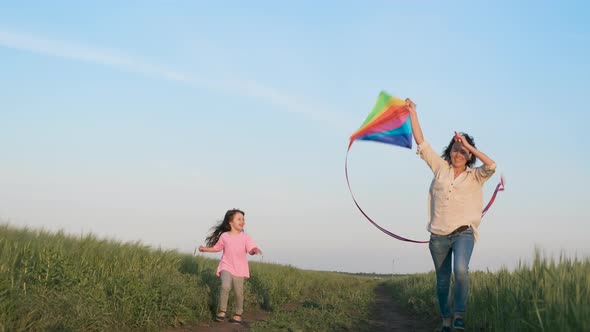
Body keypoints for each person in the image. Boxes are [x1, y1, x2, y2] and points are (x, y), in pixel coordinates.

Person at [405, 98, 496, 332]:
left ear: (469, 156)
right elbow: (421, 142)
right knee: (443, 281)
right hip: (438, 235)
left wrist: (468, 143)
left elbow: (492, 166)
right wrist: (413, 113)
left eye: (464, 151)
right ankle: (445, 319)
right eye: (456, 149)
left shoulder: (476, 176)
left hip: (463, 232)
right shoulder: (440, 168)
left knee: (462, 270)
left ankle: (459, 315)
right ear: (450, 151)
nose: (459, 153)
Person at [198, 208, 262, 324]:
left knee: (239, 292)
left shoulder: (245, 237)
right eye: (239, 219)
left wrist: (255, 250)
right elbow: (217, 248)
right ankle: (222, 312)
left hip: (240, 269)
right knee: (225, 286)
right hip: (226, 266)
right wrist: (205, 249)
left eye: (243, 219)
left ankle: (238, 314)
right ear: (230, 222)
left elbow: (251, 249)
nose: (242, 221)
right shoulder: (225, 236)